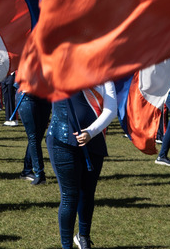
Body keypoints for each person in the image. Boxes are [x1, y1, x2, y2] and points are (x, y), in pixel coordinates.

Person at [46, 82, 117, 249]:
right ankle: (66, 245)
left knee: (87, 193)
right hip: (62, 140)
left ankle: (83, 236)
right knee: (70, 196)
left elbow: (111, 108)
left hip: (94, 140)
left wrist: (91, 132)